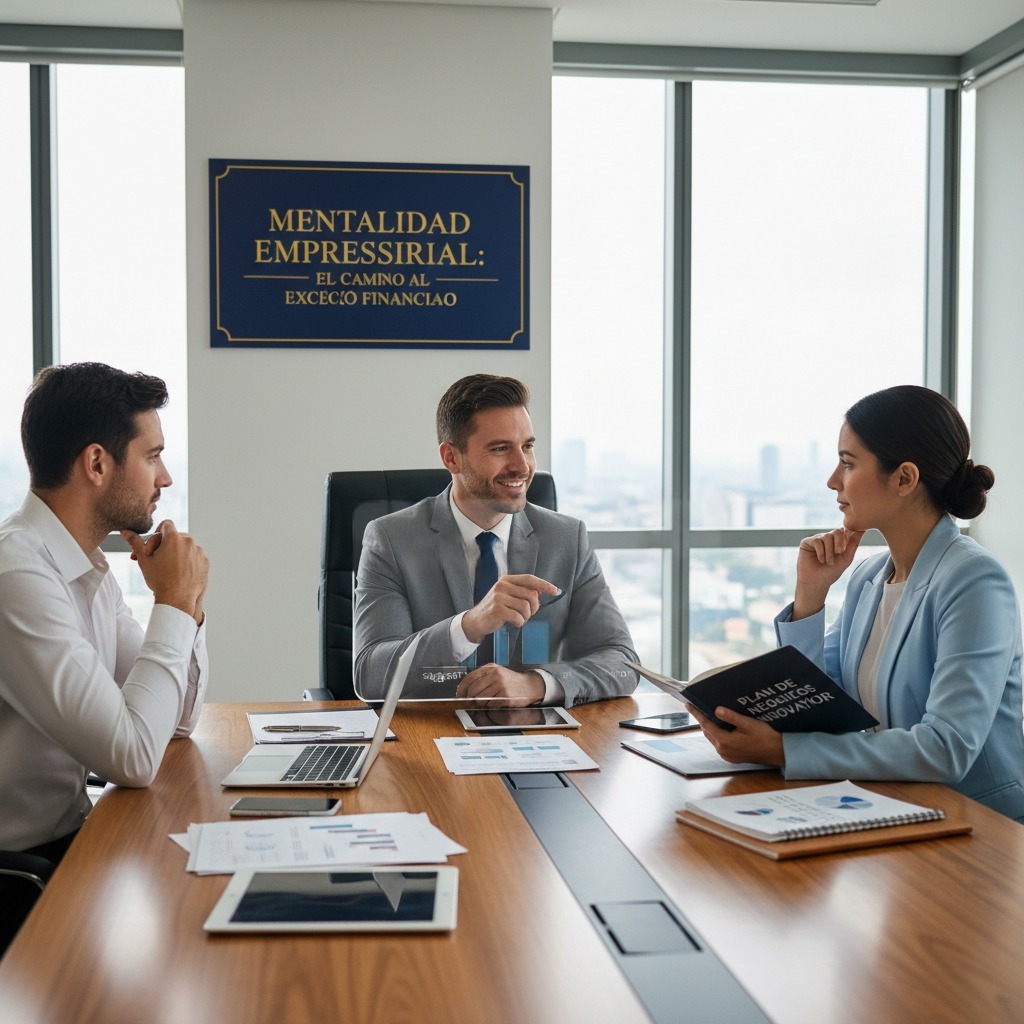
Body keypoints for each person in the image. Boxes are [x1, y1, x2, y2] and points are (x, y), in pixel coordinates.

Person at [689, 385, 1024, 822]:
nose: (832, 480)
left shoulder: (974, 580)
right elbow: (816, 701)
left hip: (975, 825)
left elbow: (947, 748)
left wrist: (785, 750)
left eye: (848, 463)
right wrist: (810, 596)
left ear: (904, 478)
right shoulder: (869, 577)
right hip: (890, 808)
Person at [0, 362, 209, 945]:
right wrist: (173, 598)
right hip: (20, 878)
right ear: (97, 464)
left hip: (70, 849)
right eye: (153, 455)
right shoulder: (17, 573)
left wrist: (186, 610)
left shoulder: (87, 567)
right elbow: (133, 756)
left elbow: (179, 720)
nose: (164, 477)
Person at [354, 374, 638, 706]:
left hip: (539, 742)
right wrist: (470, 625)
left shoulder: (566, 539)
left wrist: (536, 685)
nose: (522, 466)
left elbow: (623, 665)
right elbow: (370, 675)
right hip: (428, 738)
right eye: (501, 449)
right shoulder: (392, 539)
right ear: (451, 458)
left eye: (528, 446)